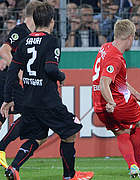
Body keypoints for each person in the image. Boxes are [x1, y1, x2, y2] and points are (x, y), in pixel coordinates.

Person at [1, 2, 94, 180]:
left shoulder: (25, 41)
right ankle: (70, 176)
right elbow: (51, 69)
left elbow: (12, 71)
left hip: (29, 100)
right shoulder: (51, 41)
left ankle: (14, 168)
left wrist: (8, 98)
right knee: (70, 132)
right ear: (52, 22)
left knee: (38, 137)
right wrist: (61, 76)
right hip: (48, 101)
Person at [92, 19, 140, 178]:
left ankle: (132, 166)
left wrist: (136, 94)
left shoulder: (105, 48)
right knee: (139, 122)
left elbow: (118, 82)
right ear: (130, 37)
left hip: (99, 105)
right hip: (117, 103)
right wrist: (111, 101)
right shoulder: (116, 58)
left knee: (121, 132)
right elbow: (105, 82)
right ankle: (139, 167)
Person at [0, 0, 43, 171]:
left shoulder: (35, 34)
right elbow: (4, 50)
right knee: (29, 113)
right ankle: (1, 147)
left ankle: (1, 148)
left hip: (15, 81)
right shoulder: (20, 31)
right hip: (11, 80)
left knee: (6, 113)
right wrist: (18, 69)